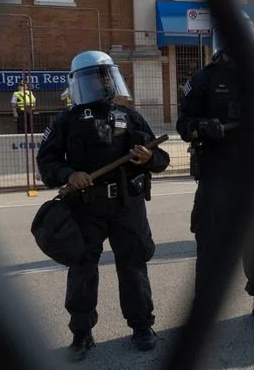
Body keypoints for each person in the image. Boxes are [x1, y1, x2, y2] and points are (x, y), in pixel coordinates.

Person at [37, 51, 169, 362]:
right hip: (86, 207)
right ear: (81, 82)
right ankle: (81, 332)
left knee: (134, 265)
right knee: (82, 268)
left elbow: (161, 159)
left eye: (107, 75)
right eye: (97, 77)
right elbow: (47, 162)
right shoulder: (66, 121)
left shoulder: (131, 117)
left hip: (127, 205)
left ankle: (142, 327)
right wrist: (69, 174)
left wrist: (149, 158)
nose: (104, 82)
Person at [177, 12, 254, 328]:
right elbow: (184, 124)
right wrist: (203, 125)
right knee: (210, 242)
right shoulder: (204, 79)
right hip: (217, 173)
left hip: (252, 173)